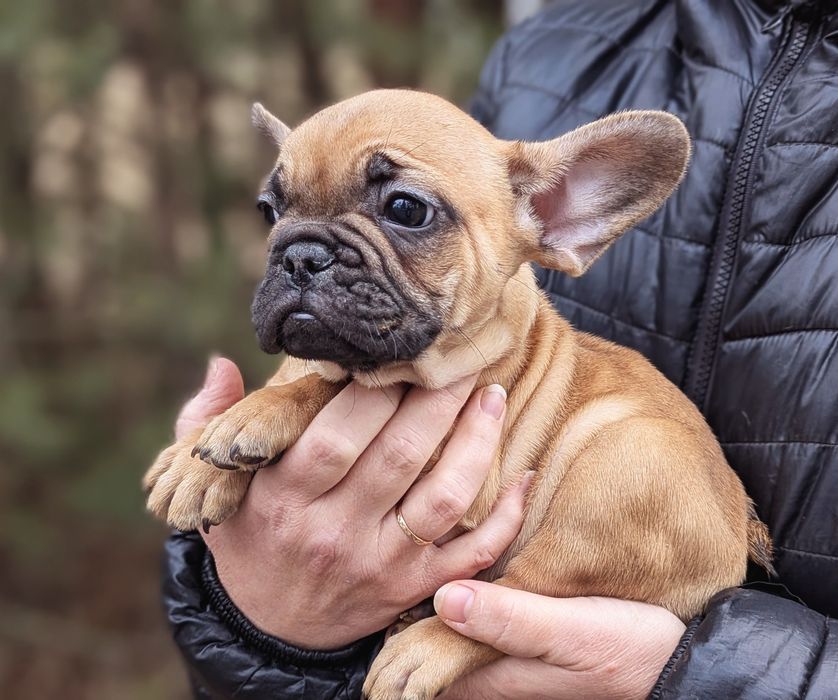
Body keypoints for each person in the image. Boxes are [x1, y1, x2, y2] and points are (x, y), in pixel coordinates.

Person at [162, 0, 838, 697]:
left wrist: (705, 679)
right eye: (281, 212)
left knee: (634, 456)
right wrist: (252, 619)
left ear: (552, 214)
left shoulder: (501, 350)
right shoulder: (558, 45)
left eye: (403, 211)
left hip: (669, 569)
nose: (303, 258)